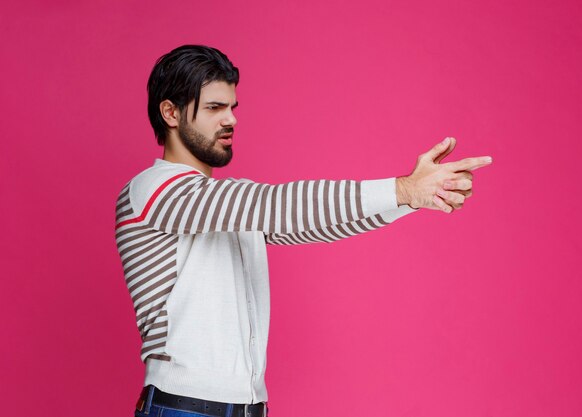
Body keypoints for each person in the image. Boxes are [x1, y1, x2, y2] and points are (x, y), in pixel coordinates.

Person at [114, 44, 493, 417]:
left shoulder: (226, 206)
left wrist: (413, 199)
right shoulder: (152, 189)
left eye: (232, 107)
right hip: (183, 407)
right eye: (215, 107)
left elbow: (312, 223)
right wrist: (403, 188)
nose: (231, 120)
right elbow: (279, 206)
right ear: (171, 113)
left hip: (248, 408)